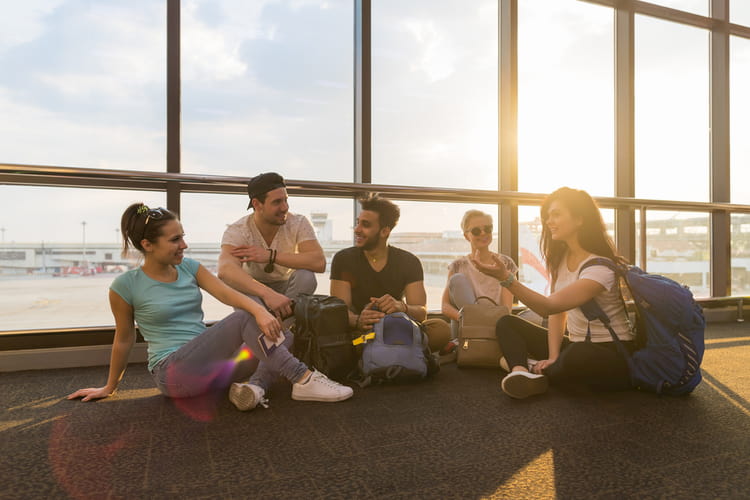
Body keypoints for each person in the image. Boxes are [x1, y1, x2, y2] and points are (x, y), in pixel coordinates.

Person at [67, 203, 352, 411]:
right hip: (174, 375)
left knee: (282, 337)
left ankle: (254, 387)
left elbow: (227, 294)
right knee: (247, 320)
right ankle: (303, 378)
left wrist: (262, 312)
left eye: (183, 236)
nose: (184, 245)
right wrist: (110, 387)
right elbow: (124, 339)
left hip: (212, 369)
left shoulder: (190, 268)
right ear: (147, 244)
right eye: (175, 239)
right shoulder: (125, 285)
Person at [473, 187, 635, 399]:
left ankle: (532, 369)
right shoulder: (561, 259)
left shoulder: (600, 267)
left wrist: (506, 278)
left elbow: (548, 306)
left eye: (556, 214)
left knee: (578, 355)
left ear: (579, 219)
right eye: (548, 215)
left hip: (612, 353)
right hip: (576, 347)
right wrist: (553, 356)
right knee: (507, 323)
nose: (549, 221)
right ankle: (521, 372)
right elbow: (558, 313)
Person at [330, 194, 449, 350]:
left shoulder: (409, 262)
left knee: (441, 329)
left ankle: (385, 352)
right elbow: (339, 311)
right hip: (363, 334)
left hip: (398, 328)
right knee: (343, 338)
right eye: (357, 223)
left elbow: (421, 313)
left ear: (385, 231)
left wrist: (402, 307)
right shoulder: (343, 259)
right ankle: (397, 352)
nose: (357, 230)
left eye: (365, 225)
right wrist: (358, 320)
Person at [218, 172, 325, 320]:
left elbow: (319, 262)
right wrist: (267, 294)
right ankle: (272, 334)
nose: (284, 207)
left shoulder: (298, 222)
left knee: (306, 277)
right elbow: (225, 271)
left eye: (285, 200)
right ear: (256, 204)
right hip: (254, 290)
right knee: (236, 282)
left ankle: (279, 330)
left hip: (287, 288)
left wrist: (270, 256)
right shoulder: (239, 230)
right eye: (277, 202)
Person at [441, 209, 518, 344]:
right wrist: (466, 318)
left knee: (535, 317)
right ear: (466, 236)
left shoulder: (505, 264)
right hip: (467, 326)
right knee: (457, 280)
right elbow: (445, 306)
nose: (483, 233)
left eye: (487, 229)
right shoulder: (458, 266)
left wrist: (487, 322)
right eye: (476, 231)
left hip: (495, 324)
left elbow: (506, 309)